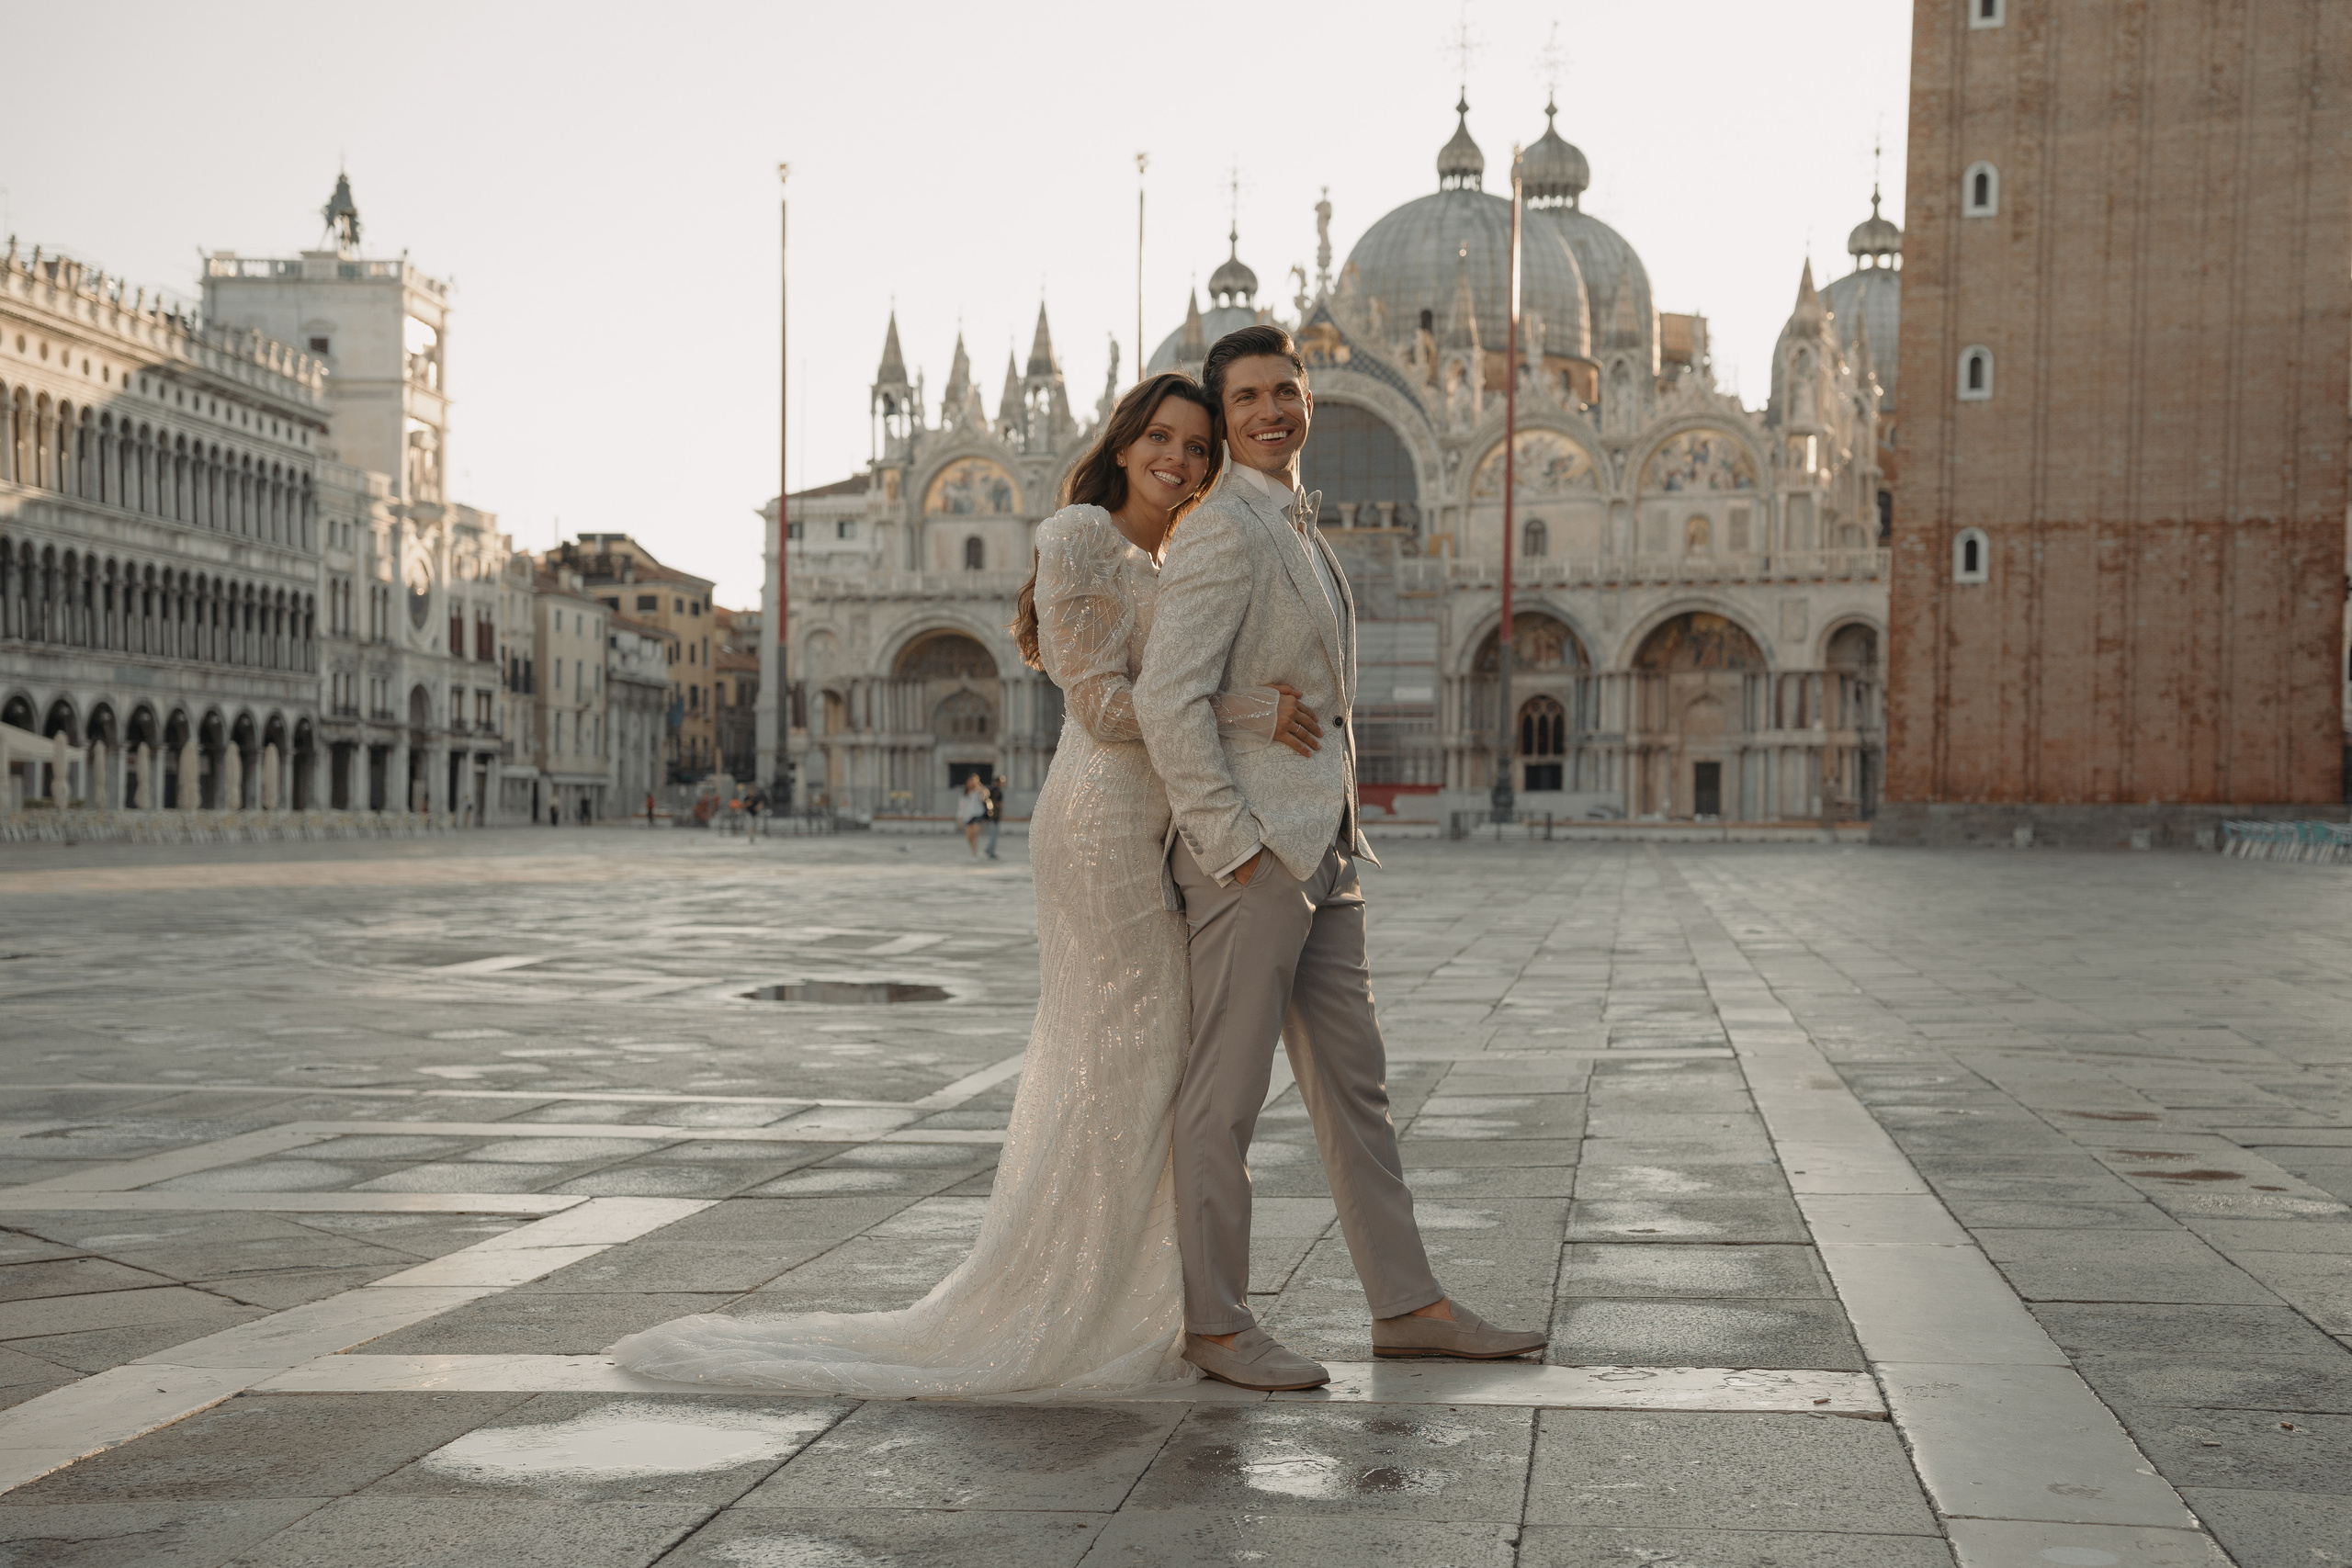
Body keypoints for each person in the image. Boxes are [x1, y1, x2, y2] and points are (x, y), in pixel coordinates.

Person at [608, 370, 1317, 1397]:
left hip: (1153, 818)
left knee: (1139, 1055)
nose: (1182, 458)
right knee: (1128, 1045)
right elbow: (1105, 705)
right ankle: (1064, 1301)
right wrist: (1246, 711)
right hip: (1099, 821)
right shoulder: (1076, 533)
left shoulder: (1168, 549)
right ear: (1122, 444)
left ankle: (1121, 1289)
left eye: (1198, 447)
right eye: (1162, 437)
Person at [1134, 324, 1547, 1391]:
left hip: (1325, 850)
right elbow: (1164, 700)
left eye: (1285, 392)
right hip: (1259, 858)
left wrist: (1319, 843)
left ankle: (1407, 1306)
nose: (1271, 412)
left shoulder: (1296, 525)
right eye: (1247, 402)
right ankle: (1215, 1325)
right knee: (1222, 1100)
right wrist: (1232, 849)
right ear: (1223, 423)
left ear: (1308, 397)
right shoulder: (1222, 529)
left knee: (1354, 1091)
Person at [984, 774, 1005, 859]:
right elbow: (998, 804)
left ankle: (989, 849)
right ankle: (990, 851)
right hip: (995, 816)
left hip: (991, 816)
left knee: (993, 834)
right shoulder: (998, 792)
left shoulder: (990, 790)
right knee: (994, 835)